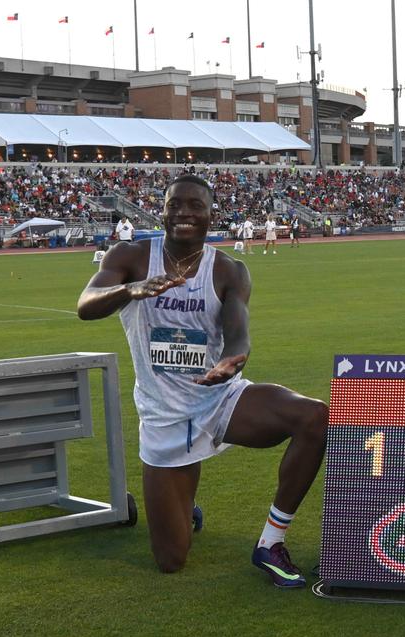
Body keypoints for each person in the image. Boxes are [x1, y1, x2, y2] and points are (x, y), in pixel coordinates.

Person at [76, 175, 328, 588]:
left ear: (212, 214)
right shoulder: (132, 256)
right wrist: (130, 289)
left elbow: (238, 330)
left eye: (195, 206)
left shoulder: (229, 269)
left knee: (315, 417)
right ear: (163, 210)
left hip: (219, 399)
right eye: (175, 205)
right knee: (171, 560)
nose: (184, 214)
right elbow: (86, 306)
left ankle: (271, 542)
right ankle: (181, 504)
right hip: (164, 417)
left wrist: (233, 360)